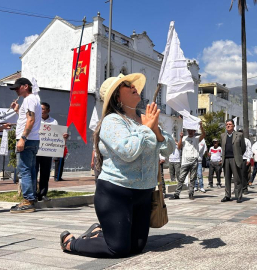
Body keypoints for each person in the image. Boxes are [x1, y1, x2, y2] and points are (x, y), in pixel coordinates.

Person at [59, 73, 174, 257]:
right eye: (126, 85)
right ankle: (72, 243)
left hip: (143, 193)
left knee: (137, 247)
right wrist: (146, 129)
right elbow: (127, 151)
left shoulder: (145, 119)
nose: (133, 86)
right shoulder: (111, 121)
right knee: (118, 249)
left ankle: (100, 232)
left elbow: (168, 149)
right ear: (117, 97)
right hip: (116, 192)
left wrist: (155, 130)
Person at [9, 78, 42, 213]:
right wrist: (18, 111)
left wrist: (22, 138)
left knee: (24, 171)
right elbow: (28, 118)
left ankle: (28, 200)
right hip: (33, 139)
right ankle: (31, 199)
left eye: (18, 87)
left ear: (26, 86)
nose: (16, 90)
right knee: (31, 170)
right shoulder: (34, 99)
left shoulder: (29, 99)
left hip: (27, 139)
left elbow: (31, 119)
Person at [35, 102, 68, 202]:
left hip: (47, 151)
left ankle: (43, 193)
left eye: (43, 109)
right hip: (36, 150)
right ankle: (33, 194)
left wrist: (63, 137)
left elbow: (57, 135)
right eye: (39, 109)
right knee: (34, 172)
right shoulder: (35, 120)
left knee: (45, 173)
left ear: (48, 110)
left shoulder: (54, 122)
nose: (41, 111)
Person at [170, 124, 206, 200]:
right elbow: (179, 147)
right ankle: (177, 194)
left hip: (194, 161)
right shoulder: (184, 138)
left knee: (193, 178)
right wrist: (180, 138)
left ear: (194, 131)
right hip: (185, 161)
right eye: (189, 130)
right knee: (181, 178)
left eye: (191, 130)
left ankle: (191, 193)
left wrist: (201, 127)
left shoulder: (196, 139)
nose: (190, 132)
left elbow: (204, 134)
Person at [220, 119, 246, 203]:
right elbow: (222, 147)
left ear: (234, 126)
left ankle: (239, 196)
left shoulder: (239, 135)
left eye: (230, 124)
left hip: (235, 159)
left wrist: (238, 156)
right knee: (227, 179)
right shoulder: (222, 135)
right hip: (226, 159)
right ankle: (227, 195)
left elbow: (243, 148)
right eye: (227, 124)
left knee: (237, 179)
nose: (228, 126)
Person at [238, 129, 252, 195]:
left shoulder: (247, 141)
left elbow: (249, 150)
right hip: (237, 159)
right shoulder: (235, 140)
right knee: (237, 175)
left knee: (243, 174)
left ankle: (244, 188)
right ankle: (237, 188)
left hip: (244, 159)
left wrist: (248, 159)